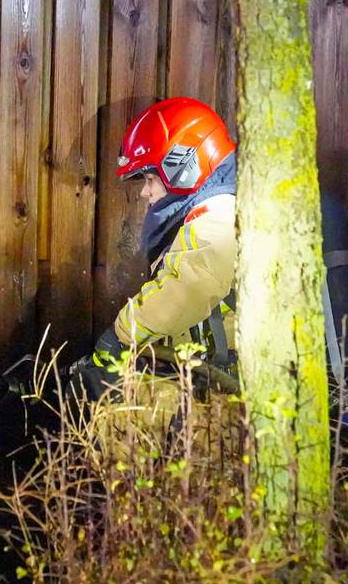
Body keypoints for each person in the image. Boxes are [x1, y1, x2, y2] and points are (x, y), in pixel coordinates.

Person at [75, 97, 239, 399]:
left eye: (151, 179)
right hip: (217, 376)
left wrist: (121, 336)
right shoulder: (210, 213)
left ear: (185, 167)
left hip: (237, 385)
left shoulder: (217, 216)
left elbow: (191, 285)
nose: (144, 191)